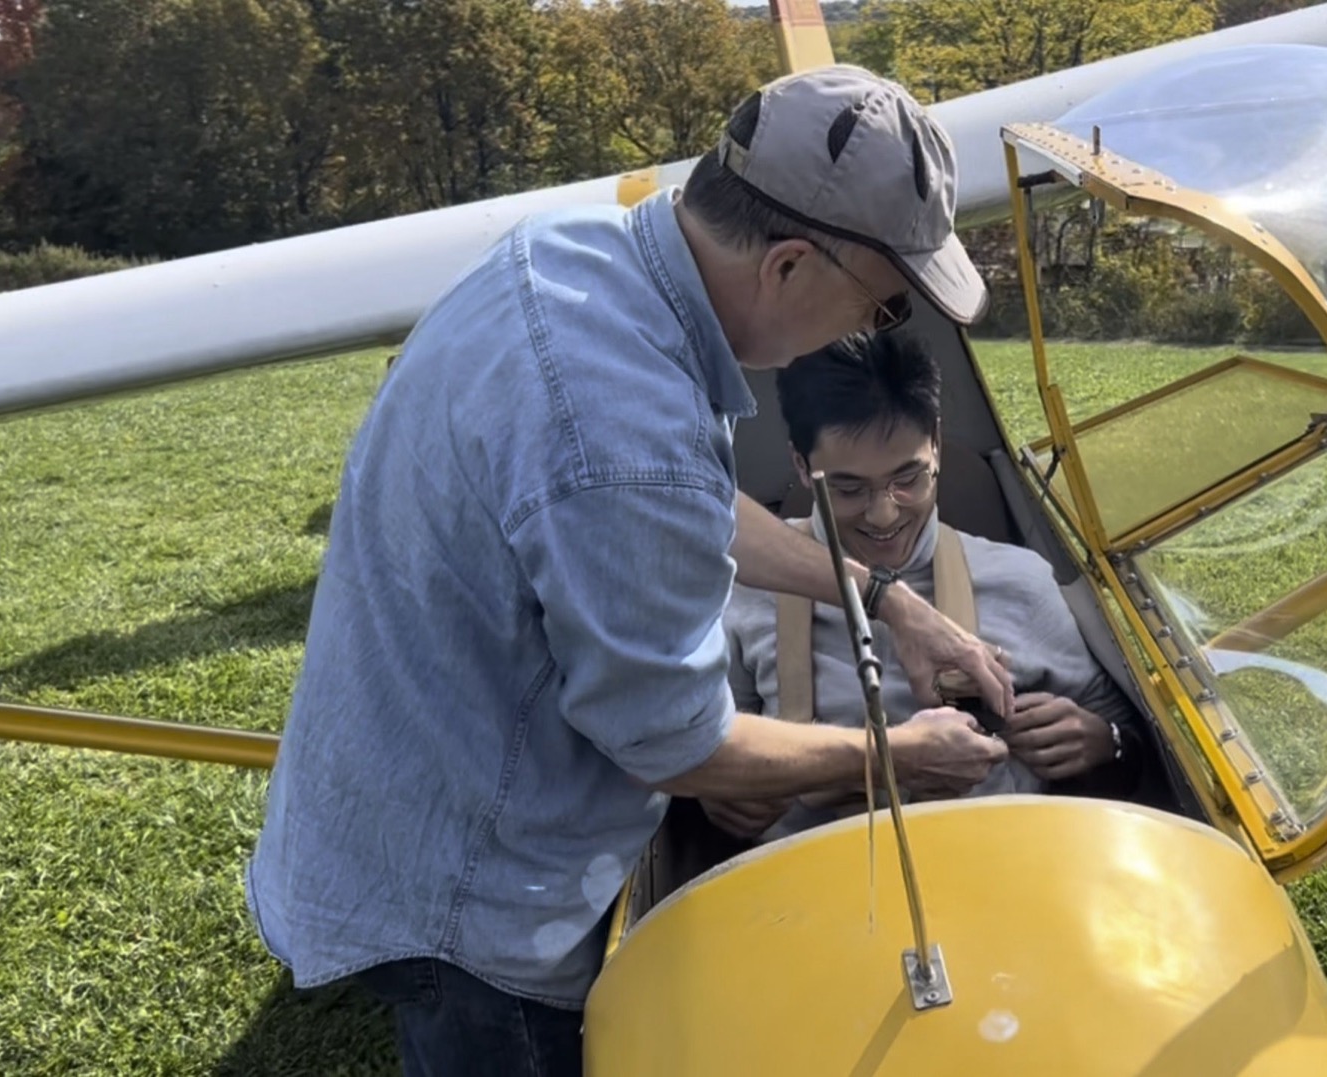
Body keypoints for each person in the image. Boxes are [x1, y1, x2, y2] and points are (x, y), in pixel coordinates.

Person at [245, 66, 1015, 1076]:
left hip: (406, 788)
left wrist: (882, 595)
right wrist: (895, 754)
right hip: (476, 903)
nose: (866, 335)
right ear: (788, 267)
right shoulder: (620, 426)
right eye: (878, 310)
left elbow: (674, 501)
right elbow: (677, 746)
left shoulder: (575, 259)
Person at [698, 332, 1155, 843]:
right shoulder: (741, 587)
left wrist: (1106, 743)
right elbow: (701, 746)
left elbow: (1125, 742)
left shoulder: (1020, 581)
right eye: (848, 489)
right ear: (801, 465)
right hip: (803, 889)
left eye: (908, 478)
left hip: (998, 869)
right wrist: (721, 800)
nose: (884, 513)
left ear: (936, 442)